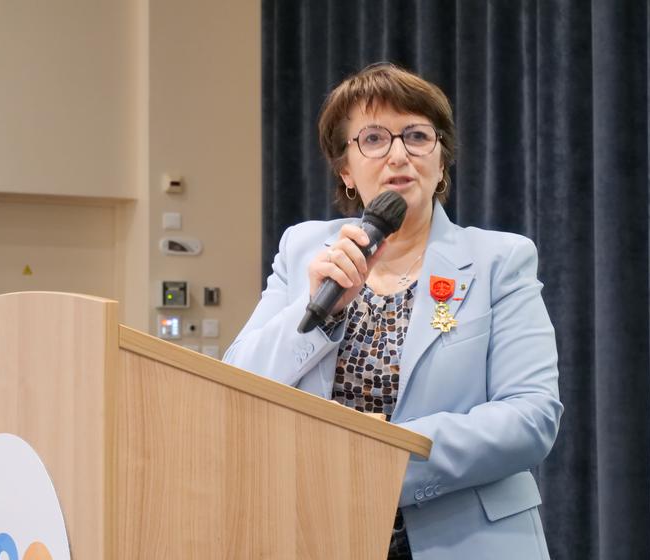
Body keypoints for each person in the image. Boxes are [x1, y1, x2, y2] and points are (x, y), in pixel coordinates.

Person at [223, 62, 563, 560]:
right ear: (345, 169)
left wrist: (376, 456)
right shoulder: (304, 251)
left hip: (465, 539)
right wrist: (321, 308)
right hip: (318, 533)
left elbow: (531, 416)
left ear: (440, 160)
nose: (399, 154)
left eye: (417, 136)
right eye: (375, 139)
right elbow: (236, 383)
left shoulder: (499, 260)